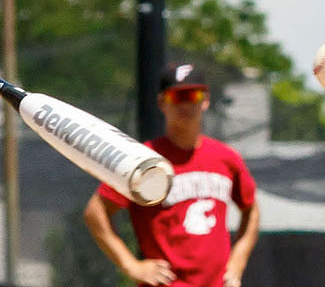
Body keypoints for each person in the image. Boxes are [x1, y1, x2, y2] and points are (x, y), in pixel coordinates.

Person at [84, 64, 260, 287]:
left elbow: (251, 209)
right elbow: (95, 211)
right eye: (177, 97)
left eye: (192, 95)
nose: (186, 104)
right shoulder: (142, 159)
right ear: (162, 103)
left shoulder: (226, 158)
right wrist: (131, 265)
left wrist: (238, 260)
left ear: (205, 100)